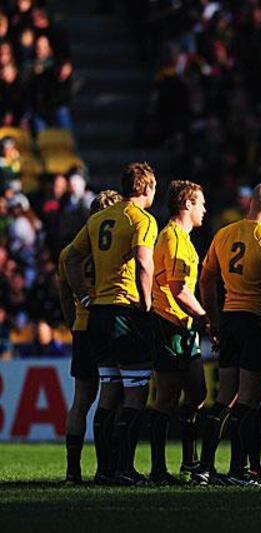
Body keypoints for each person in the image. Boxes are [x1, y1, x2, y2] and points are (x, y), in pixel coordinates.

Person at [64, 162, 158, 485]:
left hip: (98, 316)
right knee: (135, 395)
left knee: (107, 395)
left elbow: (71, 258)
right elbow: (144, 263)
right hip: (124, 312)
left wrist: (84, 297)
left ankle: (104, 470)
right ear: (146, 188)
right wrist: (146, 302)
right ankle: (124, 469)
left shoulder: (99, 219)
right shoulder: (142, 219)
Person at [197, 181, 261, 486]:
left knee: (224, 398)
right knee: (249, 401)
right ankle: (239, 470)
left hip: (231, 318)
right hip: (259, 321)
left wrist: (214, 319)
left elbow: (206, 280)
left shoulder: (225, 233)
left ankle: (204, 466)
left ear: (250, 205)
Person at [57, 189, 122, 484]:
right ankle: (106, 466)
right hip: (108, 324)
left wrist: (75, 324)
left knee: (81, 400)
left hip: (83, 328)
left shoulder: (69, 252)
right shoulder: (113, 246)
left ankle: (73, 470)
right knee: (113, 397)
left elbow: (64, 298)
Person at [147, 180, 209, 485]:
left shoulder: (184, 239)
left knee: (197, 392)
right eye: (200, 203)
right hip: (168, 324)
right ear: (187, 204)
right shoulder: (171, 238)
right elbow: (178, 288)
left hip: (183, 328)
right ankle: (159, 468)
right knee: (166, 398)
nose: (204, 209)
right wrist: (203, 315)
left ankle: (190, 463)